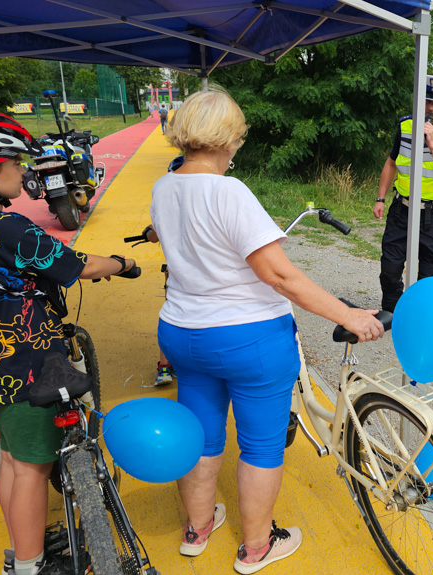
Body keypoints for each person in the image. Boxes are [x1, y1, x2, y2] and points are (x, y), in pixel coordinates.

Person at [149, 87, 383, 573]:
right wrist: (349, 314)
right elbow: (280, 276)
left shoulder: (163, 187)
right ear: (228, 138)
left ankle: (197, 528)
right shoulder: (229, 190)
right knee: (259, 444)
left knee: (202, 435)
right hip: (247, 337)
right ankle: (256, 545)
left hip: (182, 333)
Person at [0, 108, 137, 575]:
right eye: (16, 164)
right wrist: (122, 263)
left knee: (13, 459)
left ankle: (20, 553)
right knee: (31, 469)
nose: (25, 172)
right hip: (27, 365)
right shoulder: (7, 226)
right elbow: (77, 265)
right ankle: (30, 566)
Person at [374, 74, 433, 313]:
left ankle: (420, 317)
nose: (431, 107)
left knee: (428, 274)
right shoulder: (405, 125)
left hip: (432, 215)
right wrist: (380, 198)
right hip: (401, 209)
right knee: (390, 268)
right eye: (426, 101)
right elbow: (392, 162)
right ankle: (392, 314)